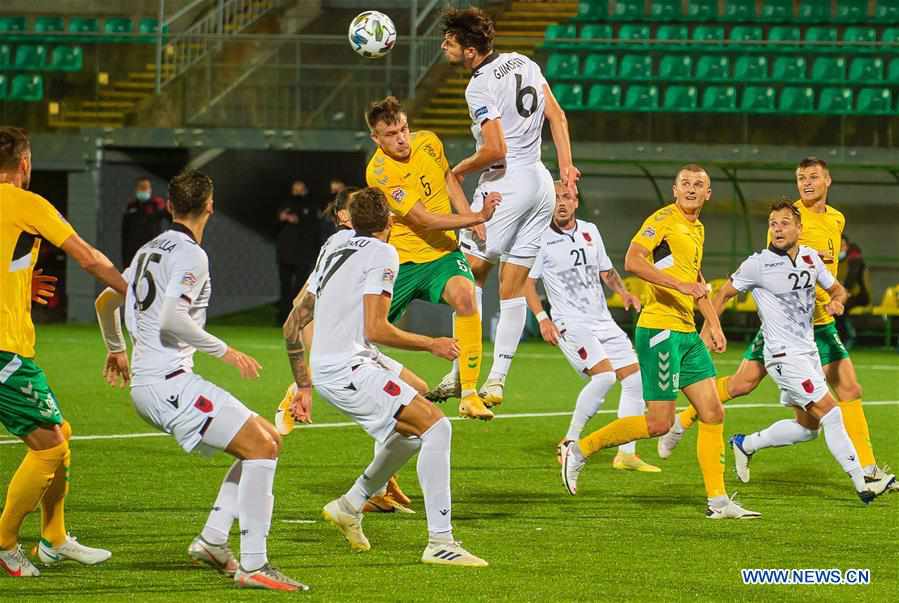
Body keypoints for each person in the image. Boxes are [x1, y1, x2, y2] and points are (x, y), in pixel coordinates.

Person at [94, 170, 307, 591]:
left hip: (158, 382)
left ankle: (212, 541)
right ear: (211, 205)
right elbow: (174, 318)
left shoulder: (146, 251)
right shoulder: (192, 255)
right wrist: (225, 352)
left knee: (266, 439)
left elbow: (106, 301)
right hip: (167, 384)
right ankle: (254, 565)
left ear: (170, 206)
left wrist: (116, 348)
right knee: (262, 446)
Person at [658, 158, 895, 490]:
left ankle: (866, 468)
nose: (807, 183)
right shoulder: (790, 220)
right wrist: (711, 326)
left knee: (842, 395)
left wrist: (835, 296)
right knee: (742, 385)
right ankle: (686, 418)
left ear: (828, 180)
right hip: (784, 330)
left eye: (813, 177)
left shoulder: (836, 218)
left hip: (819, 324)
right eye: (801, 178)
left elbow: (826, 273)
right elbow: (767, 271)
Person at [560, 165, 760, 519]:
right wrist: (678, 286)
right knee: (658, 424)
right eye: (685, 183)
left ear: (708, 194)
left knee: (713, 411)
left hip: (686, 333)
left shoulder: (697, 229)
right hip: (660, 331)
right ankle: (579, 450)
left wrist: (713, 323)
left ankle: (718, 502)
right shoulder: (662, 220)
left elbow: (695, 280)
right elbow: (632, 260)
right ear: (674, 189)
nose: (692, 189)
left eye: (699, 184)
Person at [301, 187, 487, 567]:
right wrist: (431, 343)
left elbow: (298, 311)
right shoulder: (384, 252)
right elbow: (377, 329)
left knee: (413, 428)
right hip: (349, 365)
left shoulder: (334, 243)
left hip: (341, 360)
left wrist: (301, 379)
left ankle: (351, 504)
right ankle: (440, 541)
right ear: (390, 222)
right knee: (438, 427)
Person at [432, 7, 580, 408]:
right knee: (512, 286)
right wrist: (565, 167)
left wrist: (459, 168)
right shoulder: (524, 61)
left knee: (467, 278)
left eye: (450, 40)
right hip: (540, 182)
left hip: (506, 183)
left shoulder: (478, 86)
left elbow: (495, 148)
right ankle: (496, 380)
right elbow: (558, 116)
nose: (444, 45)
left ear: (468, 50)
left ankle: (462, 373)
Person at [705, 202, 894, 502]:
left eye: (783, 223)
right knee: (832, 414)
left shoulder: (809, 258)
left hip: (808, 355)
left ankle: (746, 443)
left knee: (808, 429)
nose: (777, 228)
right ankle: (863, 483)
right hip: (782, 357)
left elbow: (838, 289)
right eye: (772, 223)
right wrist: (711, 329)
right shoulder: (758, 263)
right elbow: (723, 293)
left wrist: (837, 302)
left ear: (799, 229)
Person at [0, 126, 125, 577]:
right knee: (50, 447)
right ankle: (5, 542)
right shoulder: (25, 202)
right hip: (4, 353)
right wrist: (134, 291)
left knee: (59, 434)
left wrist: (18, 282)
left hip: (9, 351)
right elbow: (87, 256)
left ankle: (53, 539)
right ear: (25, 162)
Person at [276, 186, 416, 514]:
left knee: (418, 392)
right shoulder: (340, 244)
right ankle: (375, 484)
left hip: (359, 347)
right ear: (343, 215)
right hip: (345, 353)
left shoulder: (348, 244)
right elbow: (301, 308)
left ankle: (381, 478)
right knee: (414, 415)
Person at [364, 96, 501, 420]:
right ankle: (300, 390)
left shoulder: (428, 141)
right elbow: (422, 219)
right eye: (391, 134)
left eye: (404, 129)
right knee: (361, 334)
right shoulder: (380, 172)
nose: (401, 138)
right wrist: (477, 217)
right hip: (402, 262)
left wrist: (467, 212)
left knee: (466, 297)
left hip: (441, 254)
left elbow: (448, 178)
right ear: (376, 138)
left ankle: (468, 393)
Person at [525, 181, 659, 472]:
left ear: (576, 202)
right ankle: (570, 441)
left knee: (636, 381)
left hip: (602, 320)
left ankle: (626, 454)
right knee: (605, 378)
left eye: (568, 197)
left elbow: (606, 271)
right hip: (570, 323)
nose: (562, 202)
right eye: (557, 197)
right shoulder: (539, 238)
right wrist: (542, 319)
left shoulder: (590, 231)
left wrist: (622, 292)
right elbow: (526, 283)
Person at [276, 179, 322, 324]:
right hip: (285, 253)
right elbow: (276, 222)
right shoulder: (285, 204)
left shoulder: (310, 205)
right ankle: (283, 317)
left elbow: (313, 225)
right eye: (295, 188)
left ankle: (297, 318)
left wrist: (299, 219)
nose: (297, 191)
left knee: (300, 286)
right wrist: (283, 218)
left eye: (300, 188)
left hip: (303, 253)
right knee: (285, 286)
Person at [121, 176, 169, 268]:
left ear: (150, 189)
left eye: (145, 188)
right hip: (133, 253)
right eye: (141, 187)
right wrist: (125, 261)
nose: (143, 190)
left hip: (152, 250)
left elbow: (170, 218)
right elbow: (125, 233)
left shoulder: (157, 204)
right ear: (136, 189)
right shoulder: (131, 206)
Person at [835, 234, 869, 348]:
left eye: (843, 245)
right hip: (845, 294)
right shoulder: (839, 260)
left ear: (847, 246)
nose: (841, 248)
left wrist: (844, 292)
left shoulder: (854, 259)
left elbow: (851, 279)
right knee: (837, 306)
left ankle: (848, 337)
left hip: (860, 295)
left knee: (839, 308)